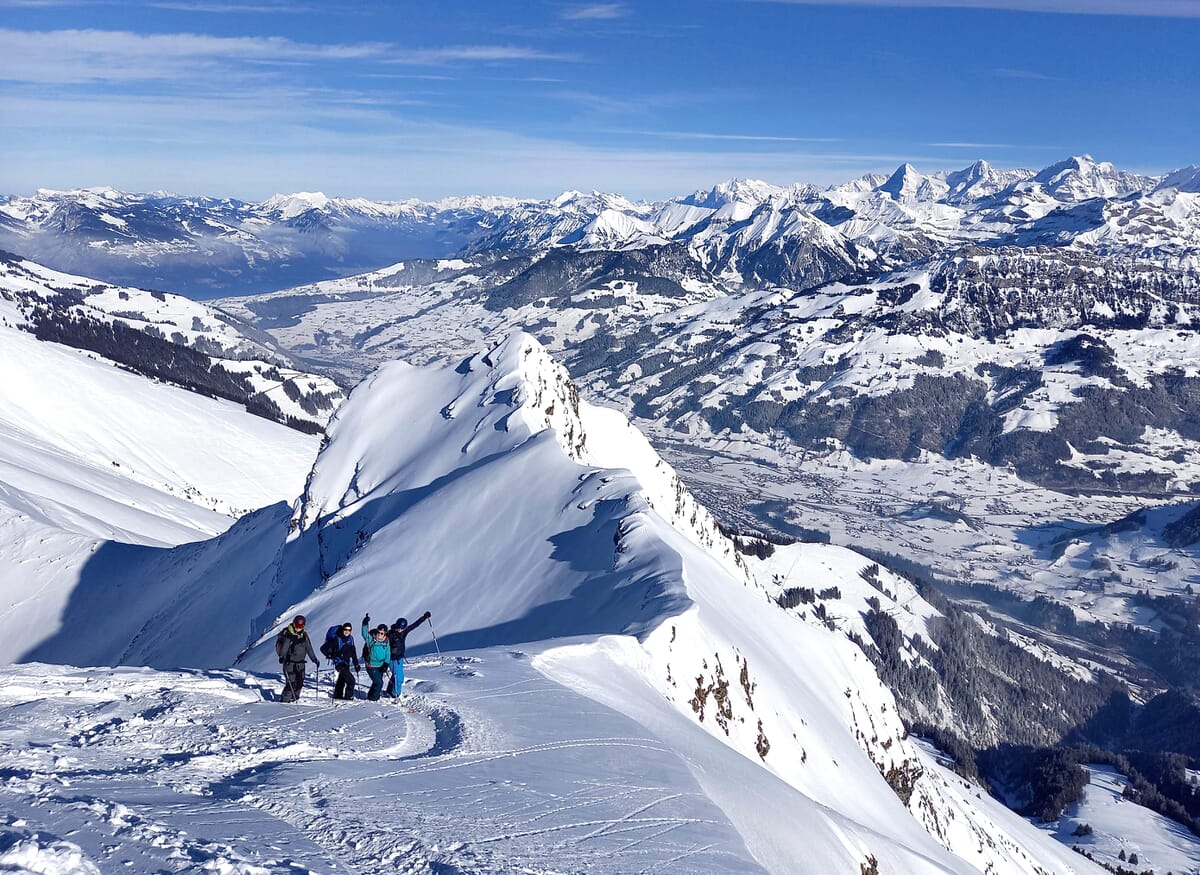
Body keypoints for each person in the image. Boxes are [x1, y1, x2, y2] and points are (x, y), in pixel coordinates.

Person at [385, 611, 431, 698]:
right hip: (392, 659)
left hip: (400, 658)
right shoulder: (391, 634)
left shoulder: (404, 632)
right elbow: (383, 644)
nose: (399, 630)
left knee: (398, 676)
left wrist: (424, 617)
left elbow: (415, 625)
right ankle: (395, 694)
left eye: (401, 628)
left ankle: (389, 689)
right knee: (399, 678)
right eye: (398, 628)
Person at [275, 614, 319, 702]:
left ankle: (294, 698)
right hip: (289, 663)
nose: (299, 628)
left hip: (301, 663)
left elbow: (308, 648)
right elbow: (284, 648)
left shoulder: (304, 636)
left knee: (300, 682)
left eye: (301, 626)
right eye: (297, 625)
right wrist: (282, 657)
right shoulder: (288, 635)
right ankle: (284, 701)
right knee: (291, 683)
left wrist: (314, 659)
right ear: (294, 624)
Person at [322, 622, 360, 701]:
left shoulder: (351, 639)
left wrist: (356, 664)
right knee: (351, 680)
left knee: (341, 680)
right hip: (339, 663)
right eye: (345, 629)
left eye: (349, 630)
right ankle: (348, 698)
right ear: (343, 629)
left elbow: (353, 652)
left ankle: (337, 696)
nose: (347, 631)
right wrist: (330, 655)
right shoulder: (337, 639)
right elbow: (323, 648)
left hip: (346, 662)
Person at [361, 614, 392, 702]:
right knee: (379, 683)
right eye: (378, 632)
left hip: (381, 666)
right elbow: (364, 634)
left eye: (381, 633)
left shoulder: (386, 642)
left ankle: (370, 696)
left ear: (385, 634)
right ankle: (374, 699)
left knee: (376, 682)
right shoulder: (371, 640)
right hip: (371, 666)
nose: (379, 635)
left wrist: (386, 663)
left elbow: (388, 653)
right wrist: (364, 623)